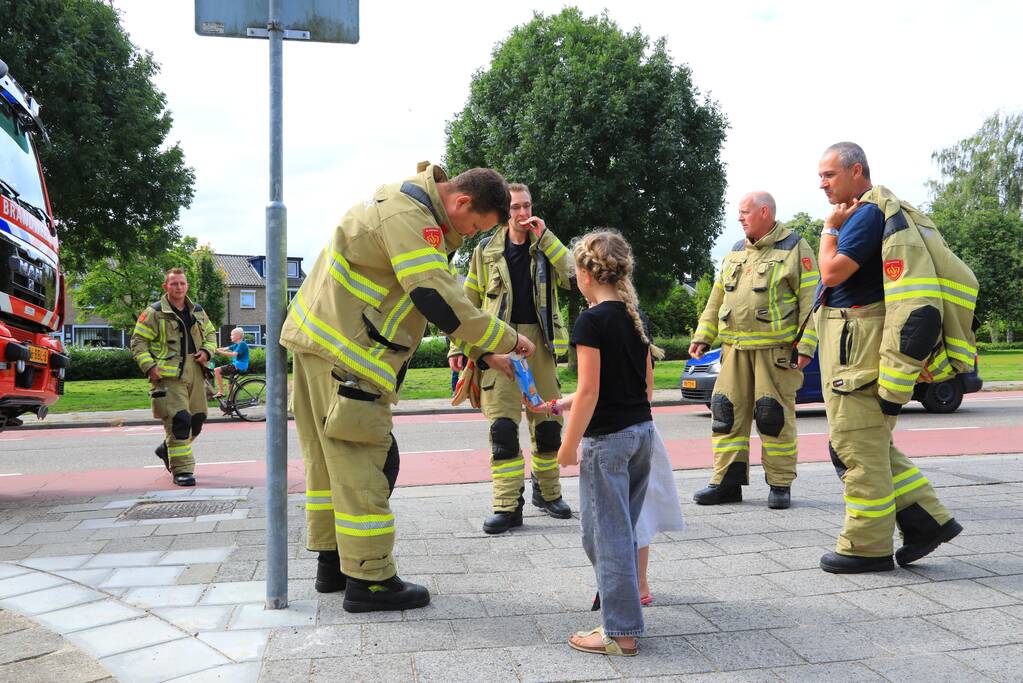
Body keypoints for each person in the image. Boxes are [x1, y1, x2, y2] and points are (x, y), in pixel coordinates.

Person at [280, 162, 537, 613]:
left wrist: (479, 354)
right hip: (348, 358)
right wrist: (507, 339)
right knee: (364, 463)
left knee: (328, 465)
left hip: (322, 345)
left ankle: (333, 564)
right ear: (461, 202)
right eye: (476, 226)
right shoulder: (409, 217)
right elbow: (435, 296)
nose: (472, 235)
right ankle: (372, 580)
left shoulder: (405, 205)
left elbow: (420, 296)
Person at [814, 142, 962, 573]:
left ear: (856, 170)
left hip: (855, 345)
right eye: (820, 177)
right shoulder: (873, 212)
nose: (822, 183)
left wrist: (828, 229)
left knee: (855, 447)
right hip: (856, 340)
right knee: (871, 442)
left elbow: (831, 273)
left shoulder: (863, 215)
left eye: (829, 175)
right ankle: (926, 522)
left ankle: (866, 547)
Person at [449, 183, 574, 534]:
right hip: (498, 343)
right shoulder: (484, 251)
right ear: (505, 212)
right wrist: (459, 349)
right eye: (516, 207)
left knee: (548, 426)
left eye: (527, 206)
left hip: (540, 344)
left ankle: (548, 494)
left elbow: (575, 276)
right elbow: (467, 303)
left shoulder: (545, 246)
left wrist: (546, 237)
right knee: (503, 428)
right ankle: (507, 506)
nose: (523, 214)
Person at [553, 229, 655, 657]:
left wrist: (567, 444)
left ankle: (621, 632)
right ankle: (622, 617)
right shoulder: (633, 317)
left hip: (608, 442)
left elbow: (592, 391)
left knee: (605, 537)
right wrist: (563, 404)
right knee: (620, 533)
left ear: (584, 274)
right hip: (640, 434)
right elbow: (642, 387)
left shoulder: (590, 321)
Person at [689, 192, 819, 509]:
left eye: (745, 212)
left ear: (764, 212)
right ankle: (726, 483)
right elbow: (717, 297)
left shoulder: (795, 247)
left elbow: (811, 299)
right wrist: (703, 334)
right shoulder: (736, 251)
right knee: (725, 414)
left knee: (772, 416)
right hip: (733, 349)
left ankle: (780, 485)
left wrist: (807, 344)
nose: (740, 217)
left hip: (775, 351)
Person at [130, 268, 217, 487]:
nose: (179, 287)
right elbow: (138, 341)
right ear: (165, 287)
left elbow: (211, 334)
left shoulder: (197, 310)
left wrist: (207, 351)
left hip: (196, 371)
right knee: (180, 421)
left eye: (182, 283)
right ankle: (183, 470)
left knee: (197, 420)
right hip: (169, 376)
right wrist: (149, 366)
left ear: (187, 286)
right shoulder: (153, 312)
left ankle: (166, 449)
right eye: (174, 283)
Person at [212, 327, 249, 398]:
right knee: (230, 386)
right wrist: (214, 349)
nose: (230, 336)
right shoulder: (236, 345)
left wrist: (220, 352)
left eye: (232, 335)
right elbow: (224, 348)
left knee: (216, 370)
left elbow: (234, 354)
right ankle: (232, 402)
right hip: (236, 366)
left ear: (238, 336)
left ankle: (221, 392)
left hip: (239, 366)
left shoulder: (242, 344)